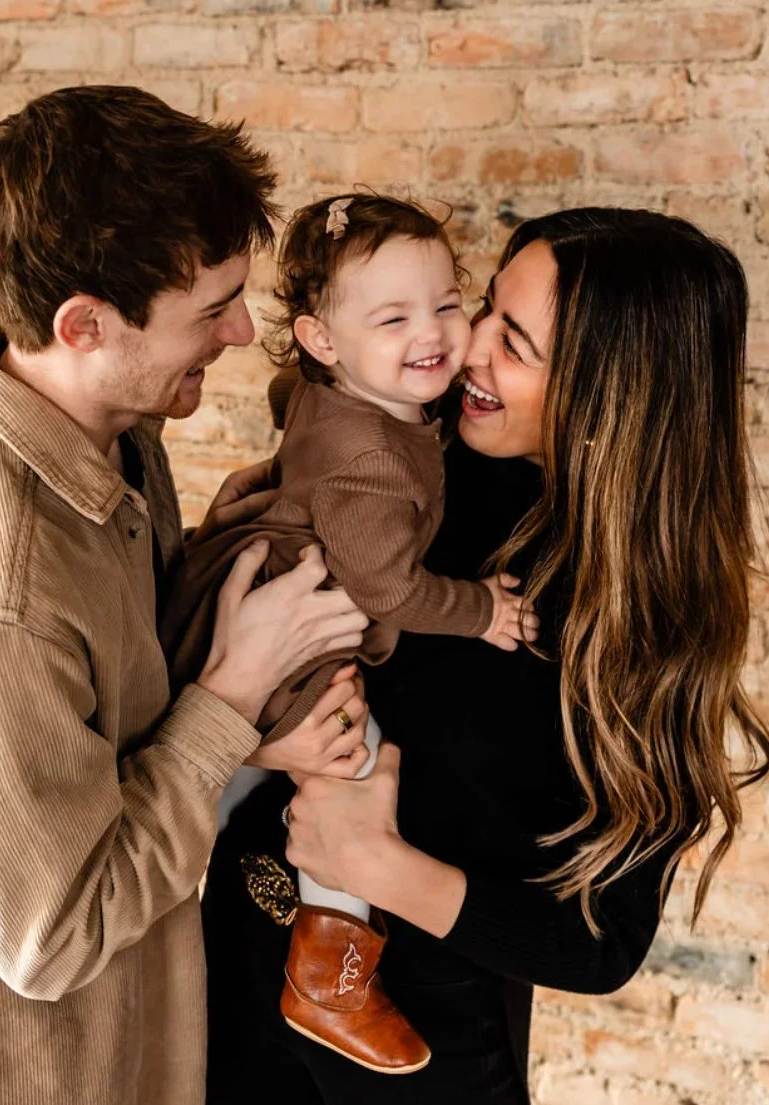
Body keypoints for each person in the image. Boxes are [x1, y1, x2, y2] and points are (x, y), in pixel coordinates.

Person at [0, 85, 368, 1105]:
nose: (245, 331)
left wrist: (227, 556)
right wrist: (235, 694)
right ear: (84, 323)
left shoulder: (107, 423)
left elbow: (108, 717)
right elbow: (56, 934)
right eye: (211, 309)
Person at [201, 207, 769, 1103]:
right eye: (484, 311)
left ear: (605, 391)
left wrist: (377, 865)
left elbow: (599, 943)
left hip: (414, 1033)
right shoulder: (410, 456)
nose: (465, 349)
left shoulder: (637, 620)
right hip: (233, 955)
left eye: (515, 343)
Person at [160, 193, 535, 1074]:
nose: (436, 333)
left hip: (267, 590)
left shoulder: (339, 393)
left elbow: (291, 394)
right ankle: (330, 970)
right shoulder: (371, 460)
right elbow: (389, 586)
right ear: (325, 341)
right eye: (395, 317)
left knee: (222, 787)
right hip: (302, 625)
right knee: (346, 756)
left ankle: (170, 874)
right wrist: (483, 608)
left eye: (449, 303)